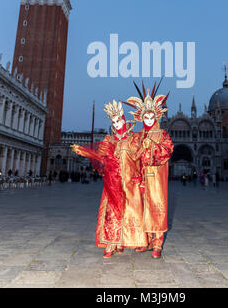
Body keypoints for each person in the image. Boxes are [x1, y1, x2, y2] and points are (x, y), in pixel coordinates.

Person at [71, 100, 148, 258]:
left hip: (130, 183)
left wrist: (141, 178)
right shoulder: (109, 140)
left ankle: (127, 241)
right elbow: (100, 156)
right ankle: (112, 243)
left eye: (119, 120)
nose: (117, 124)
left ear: (123, 120)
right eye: (114, 122)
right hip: (113, 183)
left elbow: (139, 158)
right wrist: (84, 151)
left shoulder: (133, 139)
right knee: (112, 213)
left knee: (131, 213)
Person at [125, 84, 174, 259]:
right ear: (141, 117)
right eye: (145, 116)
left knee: (156, 208)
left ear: (156, 116)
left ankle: (157, 243)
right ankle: (144, 240)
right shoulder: (137, 135)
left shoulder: (162, 135)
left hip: (156, 179)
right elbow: (131, 155)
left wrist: (150, 146)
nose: (147, 118)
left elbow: (166, 151)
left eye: (150, 115)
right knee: (141, 208)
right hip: (140, 178)